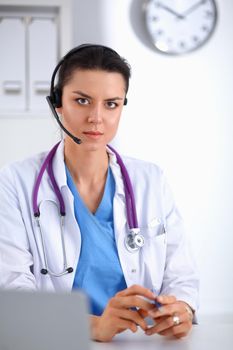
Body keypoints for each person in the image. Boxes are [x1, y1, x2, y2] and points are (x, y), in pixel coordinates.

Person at [0, 44, 199, 342]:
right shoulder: (16, 182)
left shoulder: (151, 180)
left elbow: (182, 276)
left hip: (141, 343)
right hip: (55, 342)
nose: (96, 117)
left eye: (111, 104)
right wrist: (94, 326)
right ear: (57, 103)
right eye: (82, 101)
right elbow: (12, 292)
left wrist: (181, 309)